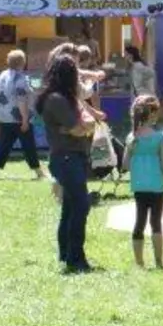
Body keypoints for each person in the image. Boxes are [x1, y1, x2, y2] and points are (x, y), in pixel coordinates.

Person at [39, 55, 98, 273]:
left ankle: (66, 253)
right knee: (81, 205)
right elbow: (78, 128)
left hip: (73, 156)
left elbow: (88, 123)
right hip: (66, 157)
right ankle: (76, 257)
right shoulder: (57, 100)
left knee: (70, 206)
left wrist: (81, 126)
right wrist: (79, 127)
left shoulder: (67, 98)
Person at [125, 95, 163, 268]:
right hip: (157, 186)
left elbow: (125, 165)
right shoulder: (160, 137)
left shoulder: (132, 138)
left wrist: (132, 152)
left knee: (139, 222)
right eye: (156, 112)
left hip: (139, 186)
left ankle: (139, 263)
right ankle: (159, 262)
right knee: (156, 223)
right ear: (151, 114)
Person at [0, 49, 45, 181]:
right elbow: (21, 100)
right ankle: (38, 173)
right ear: (23, 62)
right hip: (19, 118)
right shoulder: (21, 79)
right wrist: (25, 119)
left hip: (3, 117)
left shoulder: (2, 75)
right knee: (28, 146)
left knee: (3, 145)